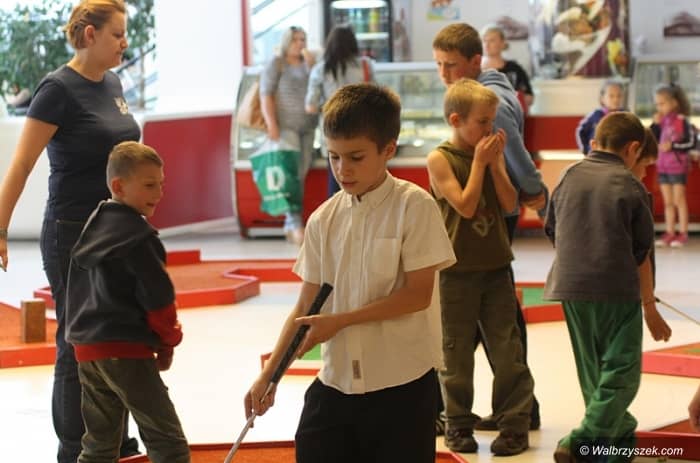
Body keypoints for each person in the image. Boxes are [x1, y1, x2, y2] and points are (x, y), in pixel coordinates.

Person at [244, 83, 456, 463]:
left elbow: (417, 295)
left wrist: (340, 321)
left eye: (356, 157)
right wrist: (269, 375)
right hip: (335, 383)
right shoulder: (323, 219)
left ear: (388, 149)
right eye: (334, 157)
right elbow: (305, 306)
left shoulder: (415, 207)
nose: (343, 169)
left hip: (402, 387)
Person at [0, 2, 141, 461]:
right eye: (117, 34)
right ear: (89, 35)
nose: (124, 43)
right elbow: (22, 164)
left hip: (119, 230)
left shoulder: (113, 84)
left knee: (118, 335)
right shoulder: (57, 90)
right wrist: (0, 228)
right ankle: (75, 447)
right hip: (73, 233)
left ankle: (114, 439)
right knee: (77, 340)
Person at [432, 21, 545, 432]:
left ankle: (517, 409)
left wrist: (535, 190)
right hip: (481, 219)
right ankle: (473, 410)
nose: (444, 73)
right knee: (486, 318)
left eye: (451, 64)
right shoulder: (477, 96)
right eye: (439, 65)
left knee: (496, 319)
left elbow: (512, 148)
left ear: (475, 60)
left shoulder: (489, 98)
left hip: (492, 217)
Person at [544, 112, 672, 463]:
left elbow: (553, 230)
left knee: (594, 374)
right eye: (642, 163)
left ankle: (616, 447)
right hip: (616, 292)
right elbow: (642, 254)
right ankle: (580, 440)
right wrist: (650, 307)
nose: (642, 172)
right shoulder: (631, 186)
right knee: (622, 374)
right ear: (633, 149)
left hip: (570, 288)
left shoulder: (568, 175)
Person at [65, 141, 190, 463]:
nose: (159, 193)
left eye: (161, 184)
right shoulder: (139, 238)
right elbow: (159, 300)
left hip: (88, 349)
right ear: (119, 186)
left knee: (99, 443)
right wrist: (168, 342)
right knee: (167, 441)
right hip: (126, 348)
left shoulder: (94, 226)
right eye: (149, 185)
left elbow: (75, 290)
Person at [260, 26, 318, 245]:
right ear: (287, 41)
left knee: (300, 173)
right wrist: (271, 124)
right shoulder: (276, 64)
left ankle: (290, 222)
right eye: (295, 39)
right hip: (286, 127)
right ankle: (294, 222)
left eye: (303, 39)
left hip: (308, 126)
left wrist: (312, 66)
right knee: (292, 175)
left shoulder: (308, 63)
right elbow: (265, 94)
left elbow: (316, 89)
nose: (300, 43)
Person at [305, 25, 375, 197]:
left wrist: (331, 106)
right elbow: (374, 98)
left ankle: (338, 214)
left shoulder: (320, 69)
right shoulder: (365, 66)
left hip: (332, 133)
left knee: (337, 181)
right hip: (361, 131)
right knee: (364, 181)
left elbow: (310, 107)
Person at [650, 83, 695, 248]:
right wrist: (655, 124)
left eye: (662, 103)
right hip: (663, 167)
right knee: (668, 201)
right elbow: (652, 138)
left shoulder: (682, 121)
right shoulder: (661, 121)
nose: (659, 107)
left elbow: (691, 142)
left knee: (679, 200)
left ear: (674, 102)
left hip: (678, 167)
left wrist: (673, 146)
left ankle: (683, 233)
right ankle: (670, 232)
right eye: (657, 104)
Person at [480, 23, 534, 109]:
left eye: (492, 40)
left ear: (502, 43)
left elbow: (529, 97)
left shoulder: (514, 69)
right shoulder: (475, 69)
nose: (487, 44)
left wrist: (516, 99)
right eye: (484, 40)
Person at [575, 80, 625, 155]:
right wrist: (585, 150)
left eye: (619, 96)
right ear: (602, 98)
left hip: (618, 156)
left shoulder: (625, 116)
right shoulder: (595, 115)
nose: (616, 99)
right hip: (596, 155)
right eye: (611, 96)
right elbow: (580, 131)